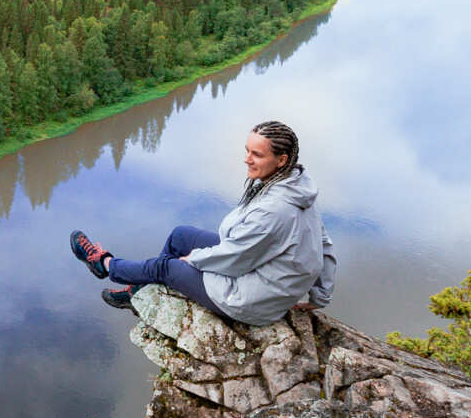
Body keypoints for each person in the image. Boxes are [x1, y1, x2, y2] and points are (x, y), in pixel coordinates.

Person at [70, 120, 337, 327]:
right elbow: (323, 244)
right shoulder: (298, 185)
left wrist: (193, 260)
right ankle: (138, 291)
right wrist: (320, 298)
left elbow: (237, 258)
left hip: (248, 298)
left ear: (282, 160)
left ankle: (104, 263)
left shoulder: (275, 210)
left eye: (257, 154)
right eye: (247, 150)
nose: (246, 159)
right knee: (181, 236)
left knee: (168, 267)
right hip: (261, 267)